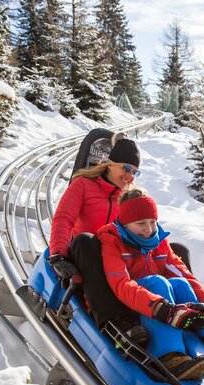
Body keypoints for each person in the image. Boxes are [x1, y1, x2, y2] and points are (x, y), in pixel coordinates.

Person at [97, 188, 204, 381]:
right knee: (158, 282)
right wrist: (162, 308)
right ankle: (169, 356)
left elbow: (181, 271)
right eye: (140, 223)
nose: (148, 229)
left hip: (163, 307)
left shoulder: (158, 241)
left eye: (152, 222)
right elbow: (121, 284)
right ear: (125, 224)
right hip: (133, 306)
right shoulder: (112, 241)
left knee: (180, 284)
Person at [47, 132, 149, 346]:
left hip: (116, 261)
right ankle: (116, 323)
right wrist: (58, 255)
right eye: (126, 168)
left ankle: (192, 322)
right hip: (84, 256)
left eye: (135, 171)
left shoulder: (128, 198)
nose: (130, 176)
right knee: (88, 240)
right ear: (110, 164)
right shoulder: (83, 185)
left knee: (175, 250)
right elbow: (64, 219)